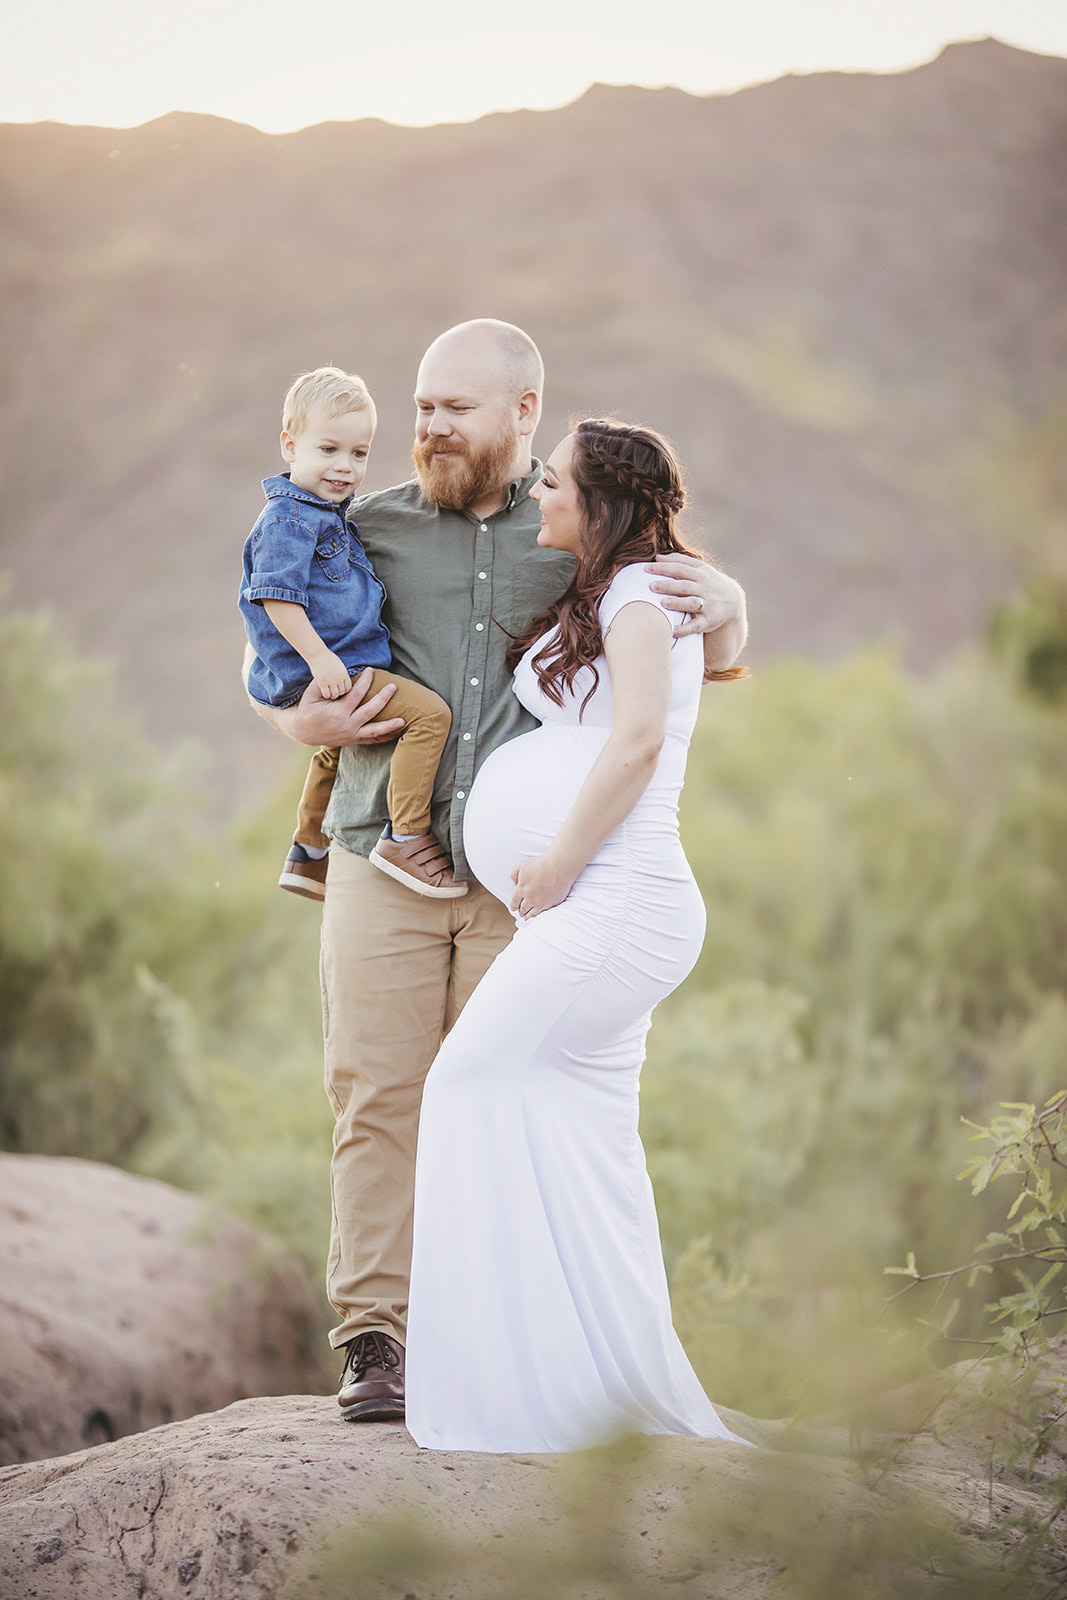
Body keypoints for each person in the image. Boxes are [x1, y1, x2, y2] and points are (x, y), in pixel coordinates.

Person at [246, 321, 748, 1424]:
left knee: (499, 1098)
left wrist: (734, 609)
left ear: (522, 413)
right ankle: (376, 1341)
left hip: (524, 882)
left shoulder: (577, 531)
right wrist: (293, 720)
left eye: (453, 409)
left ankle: (485, 1339)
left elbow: (679, 641)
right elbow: (269, 642)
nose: (428, 426)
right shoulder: (364, 525)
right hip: (381, 851)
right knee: (373, 1090)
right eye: (422, 407)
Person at [403, 419, 750, 1452]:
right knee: (583, 1144)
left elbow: (640, 738)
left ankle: (509, 1386)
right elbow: (700, 665)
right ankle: (592, 1387)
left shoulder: (637, 591)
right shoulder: (618, 590)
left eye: (553, 481)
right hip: (606, 908)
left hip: (614, 902)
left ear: (599, 502)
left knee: (465, 1084)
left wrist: (554, 861)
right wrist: (732, 609)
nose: (539, 492)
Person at [240, 366, 465, 899]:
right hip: (332, 665)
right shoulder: (288, 520)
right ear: (290, 446)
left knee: (335, 748)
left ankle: (308, 851)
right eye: (328, 450)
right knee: (430, 717)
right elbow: (276, 598)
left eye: (358, 453)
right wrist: (320, 659)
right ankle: (405, 836)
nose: (344, 466)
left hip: (337, 663)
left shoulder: (326, 514)